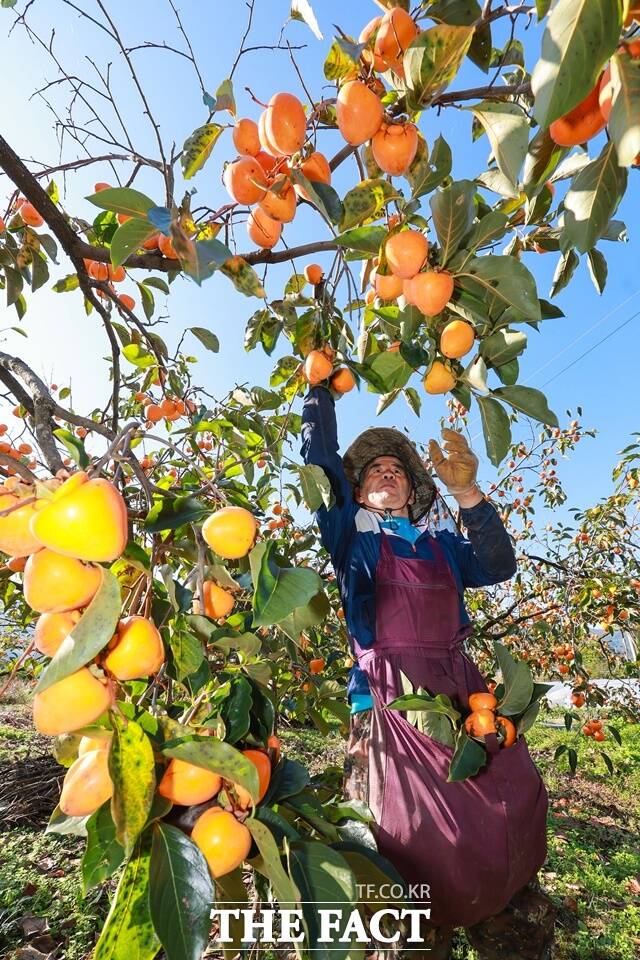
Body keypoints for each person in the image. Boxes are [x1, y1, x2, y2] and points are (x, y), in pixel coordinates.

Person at [301, 383, 556, 960]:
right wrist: (320, 391)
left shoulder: (444, 545)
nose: (386, 474)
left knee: (499, 809)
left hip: (461, 695)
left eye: (397, 469)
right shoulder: (350, 537)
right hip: (387, 701)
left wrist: (467, 492)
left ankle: (503, 921)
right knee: (402, 839)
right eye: (374, 471)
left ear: (414, 489)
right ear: (359, 490)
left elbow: (499, 563)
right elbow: (319, 463)